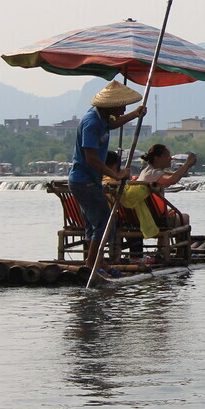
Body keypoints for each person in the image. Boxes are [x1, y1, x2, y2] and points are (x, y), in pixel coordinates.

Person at [68, 81, 146, 271]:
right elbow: (91, 159)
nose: (124, 108)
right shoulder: (91, 123)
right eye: (122, 105)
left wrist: (134, 114)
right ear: (111, 105)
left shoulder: (101, 118)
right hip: (83, 180)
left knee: (94, 223)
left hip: (88, 180)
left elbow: (112, 125)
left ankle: (95, 261)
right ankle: (94, 263)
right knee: (103, 221)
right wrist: (116, 174)